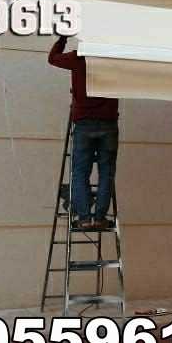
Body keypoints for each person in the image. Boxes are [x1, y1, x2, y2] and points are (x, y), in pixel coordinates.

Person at [48, 35, 119, 231]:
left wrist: (62, 38)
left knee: (80, 172)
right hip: (108, 124)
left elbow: (52, 58)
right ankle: (100, 218)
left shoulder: (78, 58)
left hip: (83, 124)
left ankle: (85, 218)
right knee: (106, 173)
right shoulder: (113, 59)